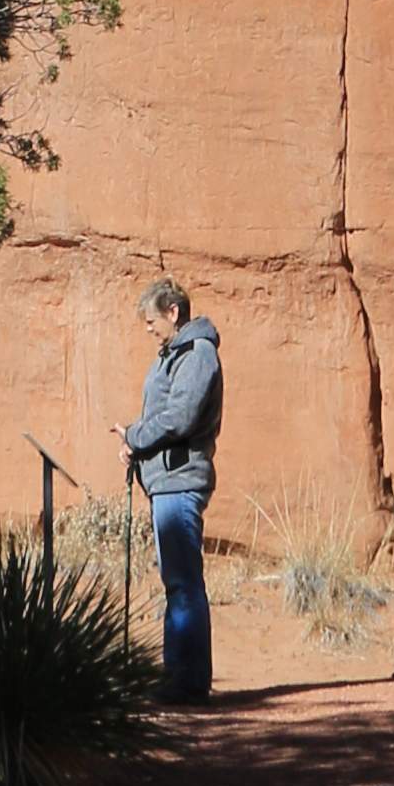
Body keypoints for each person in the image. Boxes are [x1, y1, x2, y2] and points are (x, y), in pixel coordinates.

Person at [122, 275, 221, 706]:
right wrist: (136, 446)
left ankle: (188, 682)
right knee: (177, 580)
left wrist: (134, 435)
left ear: (173, 312)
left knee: (182, 582)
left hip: (180, 481)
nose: (148, 329)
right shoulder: (173, 355)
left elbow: (179, 417)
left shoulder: (197, 355)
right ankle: (180, 675)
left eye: (150, 321)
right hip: (166, 481)